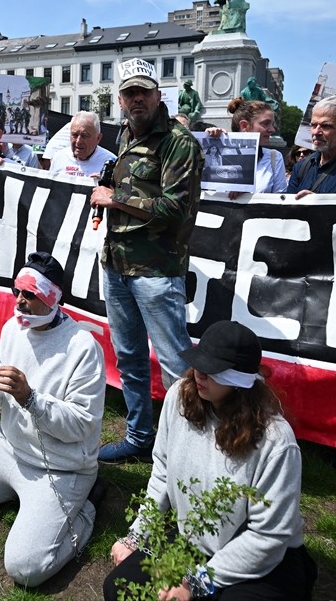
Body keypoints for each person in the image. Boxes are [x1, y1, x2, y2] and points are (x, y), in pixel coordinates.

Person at [104, 321, 316, 601]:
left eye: (212, 370)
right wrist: (137, 535)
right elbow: (162, 471)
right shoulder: (179, 398)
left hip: (263, 560)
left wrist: (197, 581)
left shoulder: (276, 442)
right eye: (198, 364)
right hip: (194, 542)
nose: (199, 374)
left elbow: (269, 537)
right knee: (120, 589)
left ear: (239, 379)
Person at [0, 253, 105, 587]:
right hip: (7, 447)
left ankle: (86, 509)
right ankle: (22, 500)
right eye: (17, 292)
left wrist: (31, 399)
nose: (20, 301)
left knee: (27, 568)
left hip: (59, 465)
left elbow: (82, 426)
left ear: (52, 298)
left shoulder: (83, 348)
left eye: (30, 295)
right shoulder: (14, 327)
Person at [91, 58, 203, 464]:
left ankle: (188, 449)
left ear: (158, 96)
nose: (137, 99)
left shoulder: (179, 141)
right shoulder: (124, 134)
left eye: (144, 92)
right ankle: (141, 437)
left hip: (157, 270)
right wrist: (107, 187)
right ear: (120, 99)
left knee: (175, 364)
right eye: (129, 93)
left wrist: (115, 199)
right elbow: (126, 183)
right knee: (129, 358)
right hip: (117, 267)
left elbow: (175, 207)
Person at [206, 99, 287, 193]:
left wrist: (248, 194)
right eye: (266, 123)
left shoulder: (274, 157)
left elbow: (279, 200)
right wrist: (205, 140)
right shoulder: (216, 154)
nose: (272, 129)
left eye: (272, 124)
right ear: (244, 126)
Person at [48, 111, 116, 178]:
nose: (78, 141)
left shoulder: (112, 162)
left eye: (85, 136)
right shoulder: (59, 157)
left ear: (98, 138)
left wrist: (106, 184)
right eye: (75, 135)